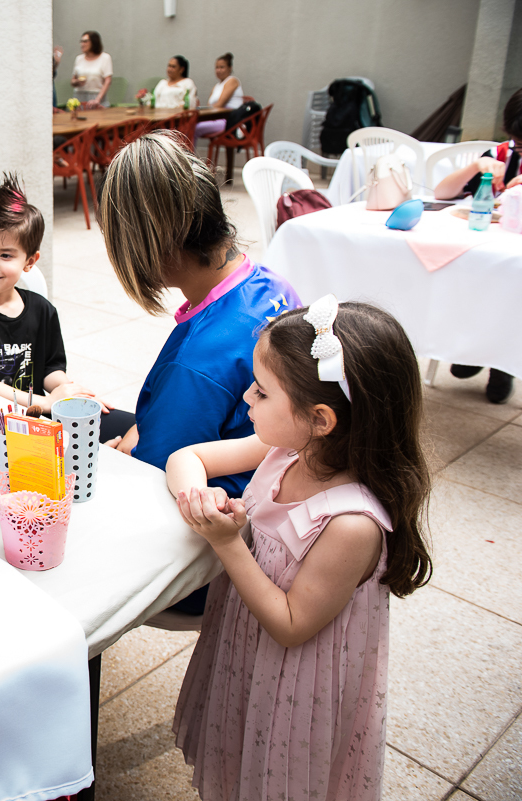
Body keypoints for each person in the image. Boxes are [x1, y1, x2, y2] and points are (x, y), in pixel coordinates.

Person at [167, 298, 432, 801]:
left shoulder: (351, 523)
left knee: (276, 775)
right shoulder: (287, 448)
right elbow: (187, 457)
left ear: (321, 419)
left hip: (293, 677)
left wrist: (226, 542)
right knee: (238, 752)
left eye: (262, 391)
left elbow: (291, 625)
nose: (246, 395)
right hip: (246, 646)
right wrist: (198, 496)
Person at [98, 131, 301, 611]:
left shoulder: (196, 361)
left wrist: (122, 456)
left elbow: (156, 467)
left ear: (149, 245)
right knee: (111, 422)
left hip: (206, 557)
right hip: (262, 486)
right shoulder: (270, 284)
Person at [0, 174, 126, 438]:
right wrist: (43, 402)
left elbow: (51, 369)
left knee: (128, 428)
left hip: (35, 418)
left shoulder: (42, 310)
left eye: (5, 255)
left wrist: (67, 393)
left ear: (29, 261)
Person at [432, 87, 522, 404]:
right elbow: (442, 193)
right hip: (489, 249)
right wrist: (475, 167)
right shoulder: (502, 155)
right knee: (470, 277)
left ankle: (502, 363)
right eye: (519, 143)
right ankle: (477, 347)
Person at [192, 52, 244, 149]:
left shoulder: (232, 80)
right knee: (189, 125)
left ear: (230, 68)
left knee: (193, 128)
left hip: (228, 121)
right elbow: (209, 106)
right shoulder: (217, 86)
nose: (218, 70)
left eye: (222, 67)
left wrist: (209, 109)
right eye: (216, 67)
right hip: (216, 119)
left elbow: (220, 104)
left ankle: (189, 157)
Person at [69, 31, 112, 110]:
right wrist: (77, 82)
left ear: (94, 42)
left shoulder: (105, 58)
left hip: (96, 96)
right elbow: (73, 80)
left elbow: (108, 81)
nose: (82, 44)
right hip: (80, 96)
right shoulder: (79, 59)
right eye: (81, 41)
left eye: (85, 41)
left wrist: (98, 99)